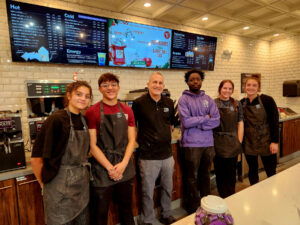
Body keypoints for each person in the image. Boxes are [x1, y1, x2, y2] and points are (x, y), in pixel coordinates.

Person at [31, 80, 92, 225]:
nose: (83, 98)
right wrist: (43, 184)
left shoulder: (84, 120)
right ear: (69, 96)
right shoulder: (56, 119)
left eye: (87, 96)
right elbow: (36, 159)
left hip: (81, 186)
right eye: (79, 94)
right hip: (58, 187)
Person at [85, 73, 136, 225]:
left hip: (124, 167)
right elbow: (92, 145)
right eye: (105, 85)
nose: (110, 88)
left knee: (127, 211)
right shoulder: (92, 112)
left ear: (118, 87)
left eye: (113, 84)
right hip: (101, 170)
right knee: (99, 214)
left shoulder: (127, 110)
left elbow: (132, 139)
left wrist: (123, 164)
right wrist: (110, 168)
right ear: (99, 89)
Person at [132, 72, 176, 225]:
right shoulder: (138, 103)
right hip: (148, 156)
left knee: (167, 188)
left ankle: (166, 214)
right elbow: (133, 127)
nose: (157, 85)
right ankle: (147, 220)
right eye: (154, 82)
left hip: (167, 155)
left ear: (163, 86)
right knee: (147, 192)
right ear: (148, 84)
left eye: (160, 83)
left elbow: (171, 125)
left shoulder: (169, 102)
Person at [178, 69, 220, 214]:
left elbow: (216, 121)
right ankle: (194, 207)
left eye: (198, 79)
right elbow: (186, 121)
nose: (195, 82)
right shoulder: (183, 100)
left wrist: (200, 123)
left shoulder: (208, 99)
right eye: (192, 79)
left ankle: (207, 204)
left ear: (201, 81)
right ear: (187, 82)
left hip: (208, 144)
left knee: (205, 175)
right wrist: (205, 118)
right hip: (191, 144)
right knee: (191, 177)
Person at [241, 75, 279, 185]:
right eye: (248, 85)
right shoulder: (242, 102)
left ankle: (273, 192)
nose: (251, 87)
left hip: (266, 141)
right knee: (252, 171)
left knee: (270, 171)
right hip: (249, 142)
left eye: (254, 85)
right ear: (245, 87)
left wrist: (275, 142)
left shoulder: (267, 100)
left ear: (258, 87)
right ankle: (255, 194)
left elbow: (274, 121)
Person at [213, 80, 244, 198]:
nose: (227, 91)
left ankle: (231, 196)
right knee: (220, 172)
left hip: (232, 142)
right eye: (225, 88)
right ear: (220, 89)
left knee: (231, 172)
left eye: (230, 88)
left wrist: (239, 141)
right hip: (218, 142)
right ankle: (222, 196)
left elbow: (240, 122)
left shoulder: (237, 104)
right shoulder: (213, 103)